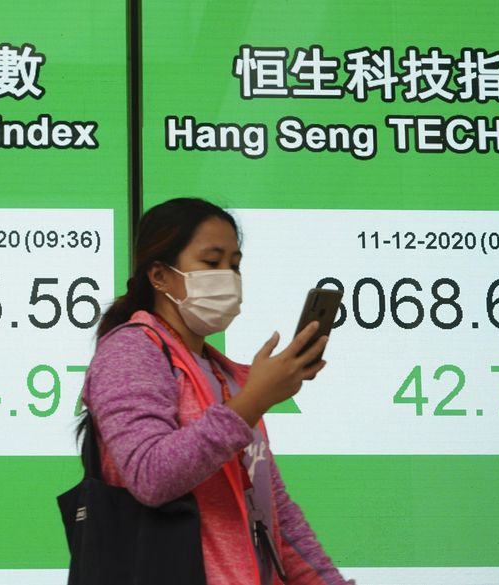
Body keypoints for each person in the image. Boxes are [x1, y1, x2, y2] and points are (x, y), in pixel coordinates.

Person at [80, 198, 354, 585]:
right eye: (211, 262)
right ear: (159, 275)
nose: (227, 276)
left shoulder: (224, 375)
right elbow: (149, 476)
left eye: (235, 265)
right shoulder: (131, 351)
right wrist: (253, 401)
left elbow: (274, 512)